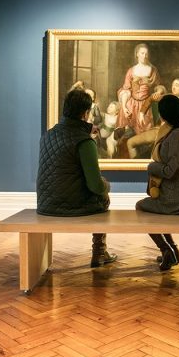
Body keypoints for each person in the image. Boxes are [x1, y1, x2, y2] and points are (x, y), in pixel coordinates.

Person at [36, 89, 117, 268]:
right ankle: (99, 252)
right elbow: (95, 185)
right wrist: (106, 186)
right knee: (103, 197)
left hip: (45, 205)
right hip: (71, 206)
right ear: (85, 113)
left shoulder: (48, 135)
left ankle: (100, 252)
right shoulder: (84, 141)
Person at [136, 94, 179, 271]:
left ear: (165, 114)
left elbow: (171, 171)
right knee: (150, 209)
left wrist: (152, 167)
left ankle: (167, 249)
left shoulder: (177, 135)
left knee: (141, 207)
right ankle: (172, 250)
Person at [117, 43, 161, 136]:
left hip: (146, 104)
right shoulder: (131, 70)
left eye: (146, 54)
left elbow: (158, 86)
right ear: (137, 54)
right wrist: (124, 107)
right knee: (125, 133)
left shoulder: (153, 70)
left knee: (144, 134)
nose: (144, 56)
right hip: (131, 103)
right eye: (142, 53)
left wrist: (158, 91)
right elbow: (126, 90)